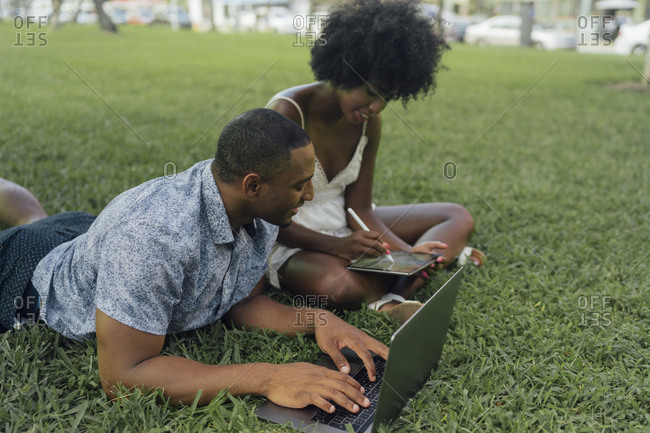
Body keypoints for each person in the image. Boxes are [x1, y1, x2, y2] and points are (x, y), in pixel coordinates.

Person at [0, 108, 388, 414]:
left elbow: (240, 301)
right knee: (32, 228)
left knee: (40, 220)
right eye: (299, 185)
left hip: (88, 241)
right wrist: (267, 377)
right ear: (252, 185)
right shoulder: (153, 240)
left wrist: (317, 319)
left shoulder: (261, 207)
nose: (309, 196)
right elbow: (123, 377)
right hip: (29, 273)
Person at [265, 0, 485, 322]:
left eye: (386, 98)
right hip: (291, 238)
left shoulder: (369, 123)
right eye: (371, 92)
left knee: (456, 216)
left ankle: (396, 292)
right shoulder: (288, 112)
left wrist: (405, 253)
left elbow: (360, 209)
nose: (377, 107)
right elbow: (269, 219)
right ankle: (402, 287)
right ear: (344, 67)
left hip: (345, 224)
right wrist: (338, 246)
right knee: (340, 287)